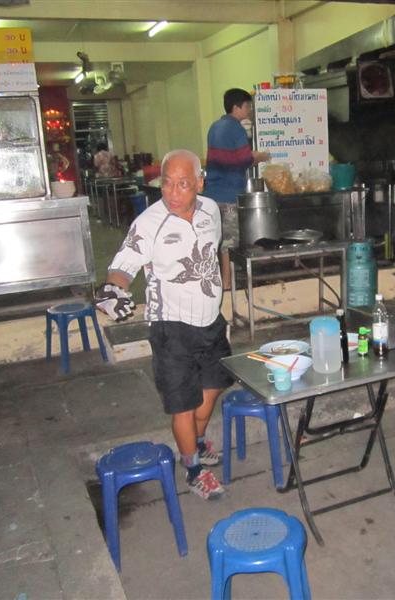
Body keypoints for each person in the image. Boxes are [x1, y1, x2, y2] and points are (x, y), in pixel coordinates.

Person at [95, 150, 233, 500]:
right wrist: (113, 290)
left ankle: (197, 442)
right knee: (183, 405)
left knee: (212, 390)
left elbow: (215, 249)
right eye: (167, 183)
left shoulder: (211, 210)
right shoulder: (149, 223)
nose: (173, 192)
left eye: (183, 184)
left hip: (211, 321)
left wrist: (224, 281)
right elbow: (123, 266)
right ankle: (194, 471)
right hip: (172, 329)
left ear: (199, 183)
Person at [203, 88, 270, 289]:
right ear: (236, 107)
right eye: (247, 106)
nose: (249, 110)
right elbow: (243, 159)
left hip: (211, 195)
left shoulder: (214, 127)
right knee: (230, 243)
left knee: (216, 240)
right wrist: (261, 156)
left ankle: (216, 282)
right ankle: (227, 284)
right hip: (229, 195)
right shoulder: (236, 128)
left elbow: (225, 157)